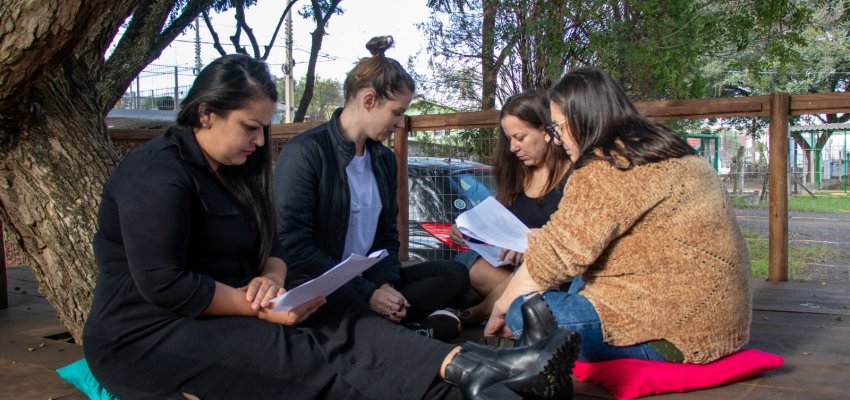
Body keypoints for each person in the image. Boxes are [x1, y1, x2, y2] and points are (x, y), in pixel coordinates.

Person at [82, 53, 578, 400]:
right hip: (151, 331)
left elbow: (276, 244)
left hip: (243, 307)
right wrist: (260, 307)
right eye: (250, 127)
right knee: (308, 355)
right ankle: (488, 382)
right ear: (206, 114)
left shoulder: (238, 169)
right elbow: (164, 284)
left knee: (343, 320)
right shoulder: (156, 174)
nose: (260, 141)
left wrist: (271, 278)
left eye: (264, 128)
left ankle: (478, 370)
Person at [485, 66, 752, 365]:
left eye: (558, 128)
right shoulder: (669, 150)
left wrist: (500, 308)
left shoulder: (608, 167)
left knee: (522, 313)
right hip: (722, 322)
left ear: (580, 119)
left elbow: (554, 257)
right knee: (567, 280)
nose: (557, 139)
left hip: (671, 333)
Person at [273, 36, 470, 342]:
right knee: (325, 302)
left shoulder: (383, 159)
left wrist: (385, 285)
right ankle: (400, 333)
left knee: (453, 274)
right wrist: (367, 293)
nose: (400, 123)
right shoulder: (306, 152)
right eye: (396, 112)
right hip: (320, 284)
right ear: (368, 101)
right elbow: (294, 245)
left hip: (368, 279)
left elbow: (387, 236)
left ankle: (386, 329)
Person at [448, 89, 571, 325]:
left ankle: (478, 312)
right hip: (506, 267)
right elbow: (496, 222)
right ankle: (509, 303)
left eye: (520, 137)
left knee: (534, 276)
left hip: (548, 270)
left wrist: (535, 249)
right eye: (509, 139)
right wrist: (467, 231)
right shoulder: (517, 176)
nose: (513, 147)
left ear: (546, 131)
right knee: (467, 262)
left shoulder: (576, 179)